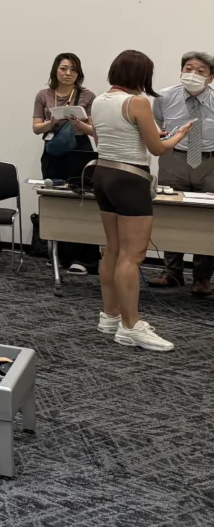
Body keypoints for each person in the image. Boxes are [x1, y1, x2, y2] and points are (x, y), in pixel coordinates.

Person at [89, 49, 191, 352]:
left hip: (102, 174)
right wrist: (180, 135)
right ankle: (131, 326)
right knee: (132, 256)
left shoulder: (99, 100)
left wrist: (152, 133)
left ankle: (110, 316)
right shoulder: (137, 102)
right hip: (129, 178)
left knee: (112, 249)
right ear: (141, 75)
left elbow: (106, 136)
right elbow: (157, 148)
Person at [149, 51, 214, 297]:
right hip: (173, 158)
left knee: (207, 219)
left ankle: (202, 277)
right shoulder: (164, 96)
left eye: (200, 71)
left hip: (209, 162)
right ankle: (171, 272)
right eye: (188, 68)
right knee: (171, 212)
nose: (193, 74)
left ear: (210, 77)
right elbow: (158, 123)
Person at [31, 53, 100, 275]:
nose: (68, 73)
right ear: (55, 71)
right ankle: (57, 255)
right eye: (63, 68)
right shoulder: (44, 95)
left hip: (80, 149)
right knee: (55, 198)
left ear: (78, 73)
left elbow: (95, 130)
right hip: (54, 149)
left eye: (73, 69)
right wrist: (50, 122)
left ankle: (85, 259)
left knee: (82, 200)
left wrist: (80, 123)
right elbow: (36, 127)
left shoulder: (88, 96)